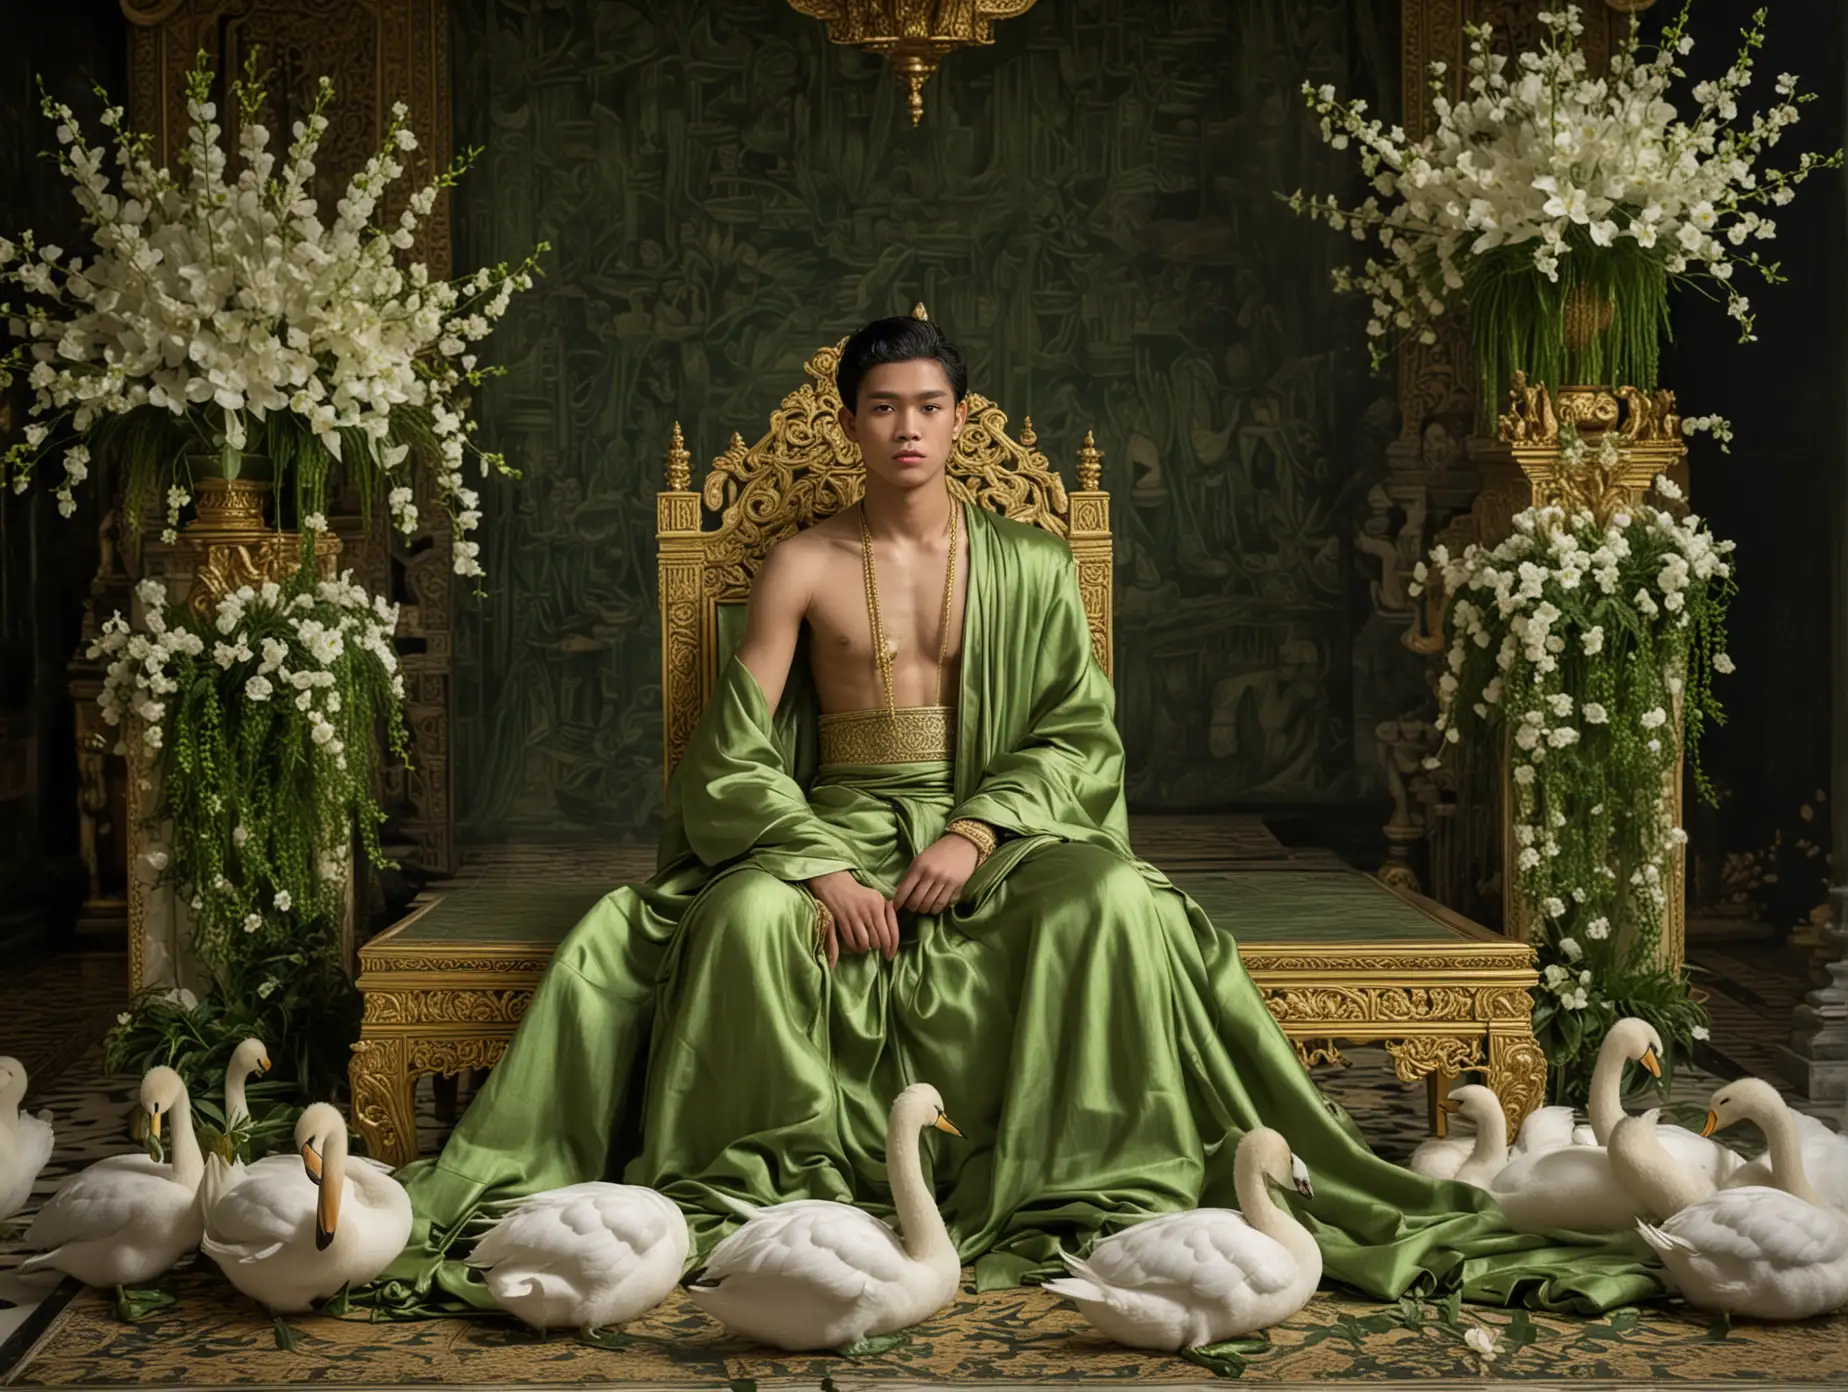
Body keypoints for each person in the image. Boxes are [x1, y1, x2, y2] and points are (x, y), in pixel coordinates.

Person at [369, 316, 1660, 1317]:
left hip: (1004, 828)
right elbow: (730, 750)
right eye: (884, 410)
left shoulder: (1035, 565)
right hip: (832, 822)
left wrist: (974, 833)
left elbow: (1077, 738)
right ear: (850, 425)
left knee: (1107, 901)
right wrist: (819, 865)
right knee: (743, 924)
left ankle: (1082, 1172)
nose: (907, 431)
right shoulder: (804, 561)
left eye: (929, 407)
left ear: (960, 418)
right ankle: (764, 1192)